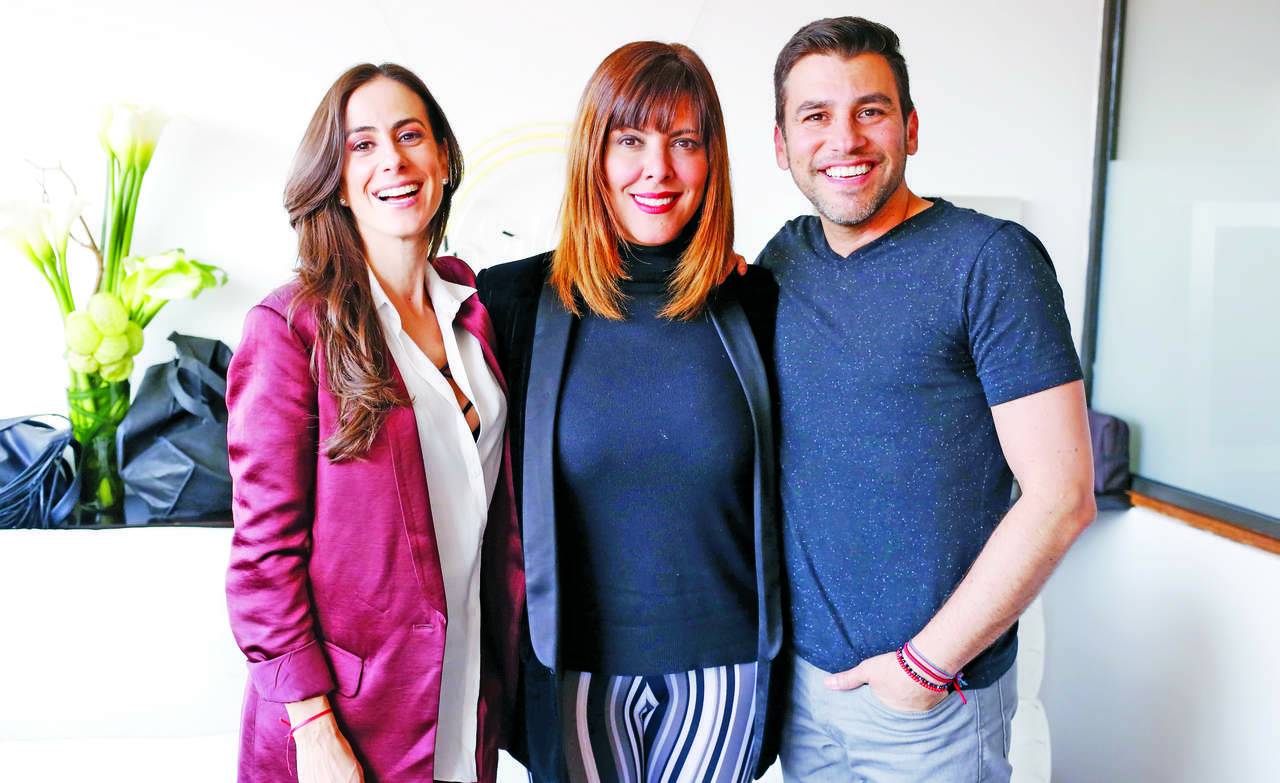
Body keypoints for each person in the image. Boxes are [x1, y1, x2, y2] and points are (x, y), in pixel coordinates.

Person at [759, 17, 1096, 783]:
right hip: (804, 694)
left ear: (910, 128)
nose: (844, 139)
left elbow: (1063, 495)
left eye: (870, 110)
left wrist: (923, 667)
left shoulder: (991, 259)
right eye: (815, 115)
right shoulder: (784, 260)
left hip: (931, 702)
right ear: (781, 144)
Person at [477, 41, 782, 783]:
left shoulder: (759, 301)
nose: (659, 168)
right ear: (594, 154)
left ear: (712, 160)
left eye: (685, 142)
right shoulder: (510, 302)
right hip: (572, 665)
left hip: (729, 668)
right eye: (632, 140)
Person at [225, 63, 524, 783]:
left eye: (410, 135)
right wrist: (314, 730)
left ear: (443, 157)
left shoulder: (473, 307)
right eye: (362, 144)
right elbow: (263, 558)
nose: (392, 159)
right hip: (348, 723)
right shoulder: (290, 328)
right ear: (335, 177)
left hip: (462, 699)